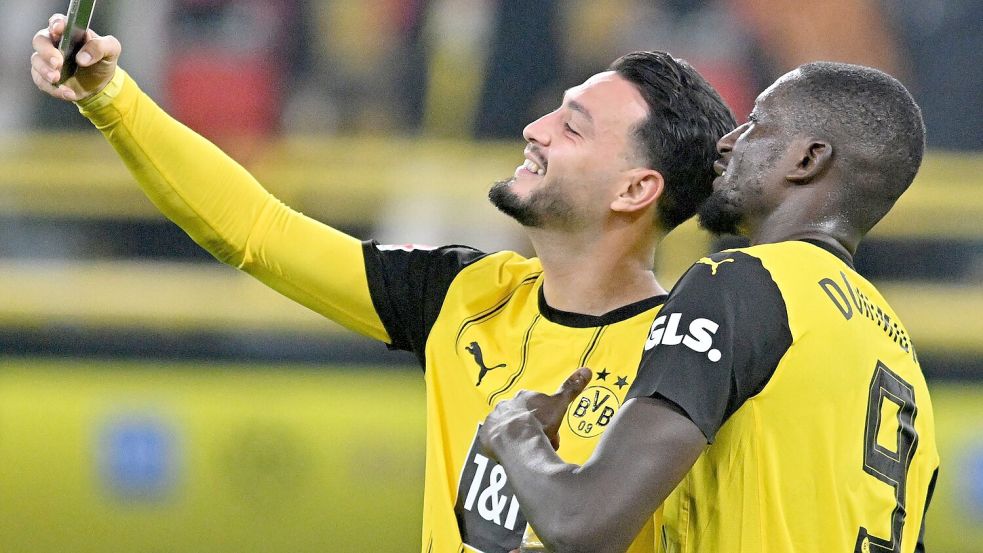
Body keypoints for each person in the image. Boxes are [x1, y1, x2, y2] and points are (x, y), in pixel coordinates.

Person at [29, 13, 735, 553]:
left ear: (636, 187)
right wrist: (111, 98)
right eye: (554, 110)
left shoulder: (690, 359)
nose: (535, 129)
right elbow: (255, 230)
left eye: (572, 128)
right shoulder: (464, 294)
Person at [478, 61, 941, 553]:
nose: (727, 141)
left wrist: (514, 432)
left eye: (757, 125)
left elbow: (582, 523)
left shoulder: (742, 283)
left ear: (807, 160)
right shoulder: (899, 355)